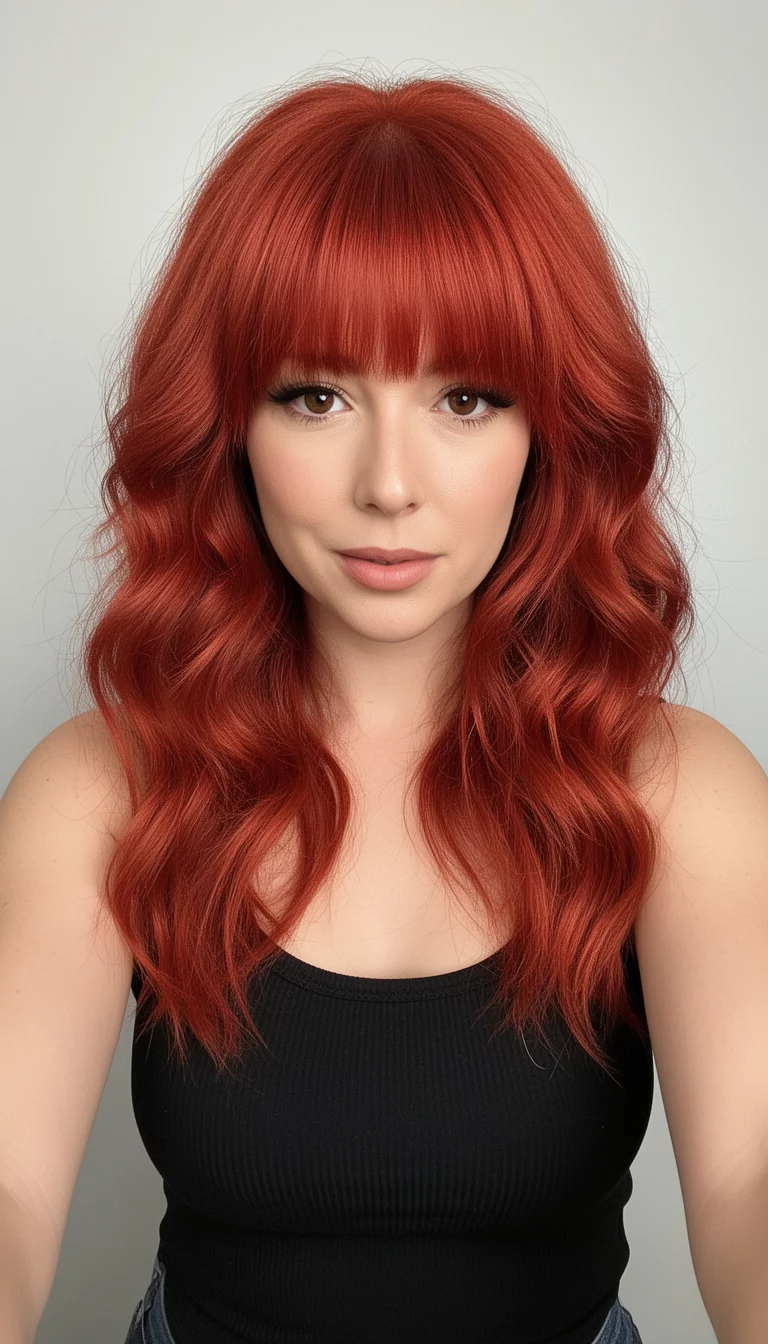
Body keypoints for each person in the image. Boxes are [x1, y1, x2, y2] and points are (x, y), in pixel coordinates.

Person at [1, 69, 767, 1344]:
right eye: (317, 396)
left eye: (466, 398)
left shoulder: (680, 790)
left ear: (552, 430)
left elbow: (749, 1174)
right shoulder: (101, 788)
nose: (390, 485)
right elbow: (12, 1186)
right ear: (228, 425)